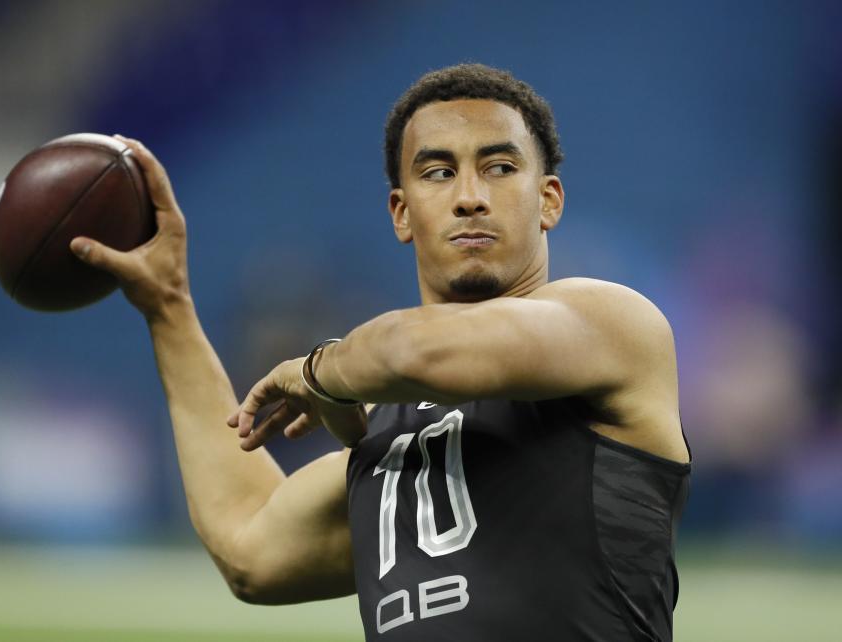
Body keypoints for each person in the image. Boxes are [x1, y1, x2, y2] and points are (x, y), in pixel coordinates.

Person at [70, 64, 691, 641]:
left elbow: (418, 349)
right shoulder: (387, 431)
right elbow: (248, 544)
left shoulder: (608, 322)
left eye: (500, 167)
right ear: (401, 211)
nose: (470, 196)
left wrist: (321, 373)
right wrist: (169, 308)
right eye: (438, 172)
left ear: (549, 199)